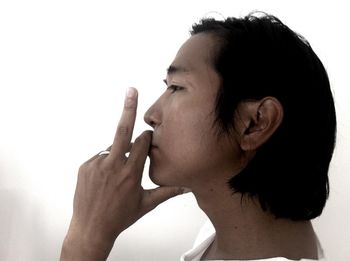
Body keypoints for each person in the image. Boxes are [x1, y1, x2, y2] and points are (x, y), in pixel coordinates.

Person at [60, 12, 336, 261]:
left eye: (177, 88)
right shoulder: (221, 237)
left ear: (255, 123)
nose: (151, 115)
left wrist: (87, 239)